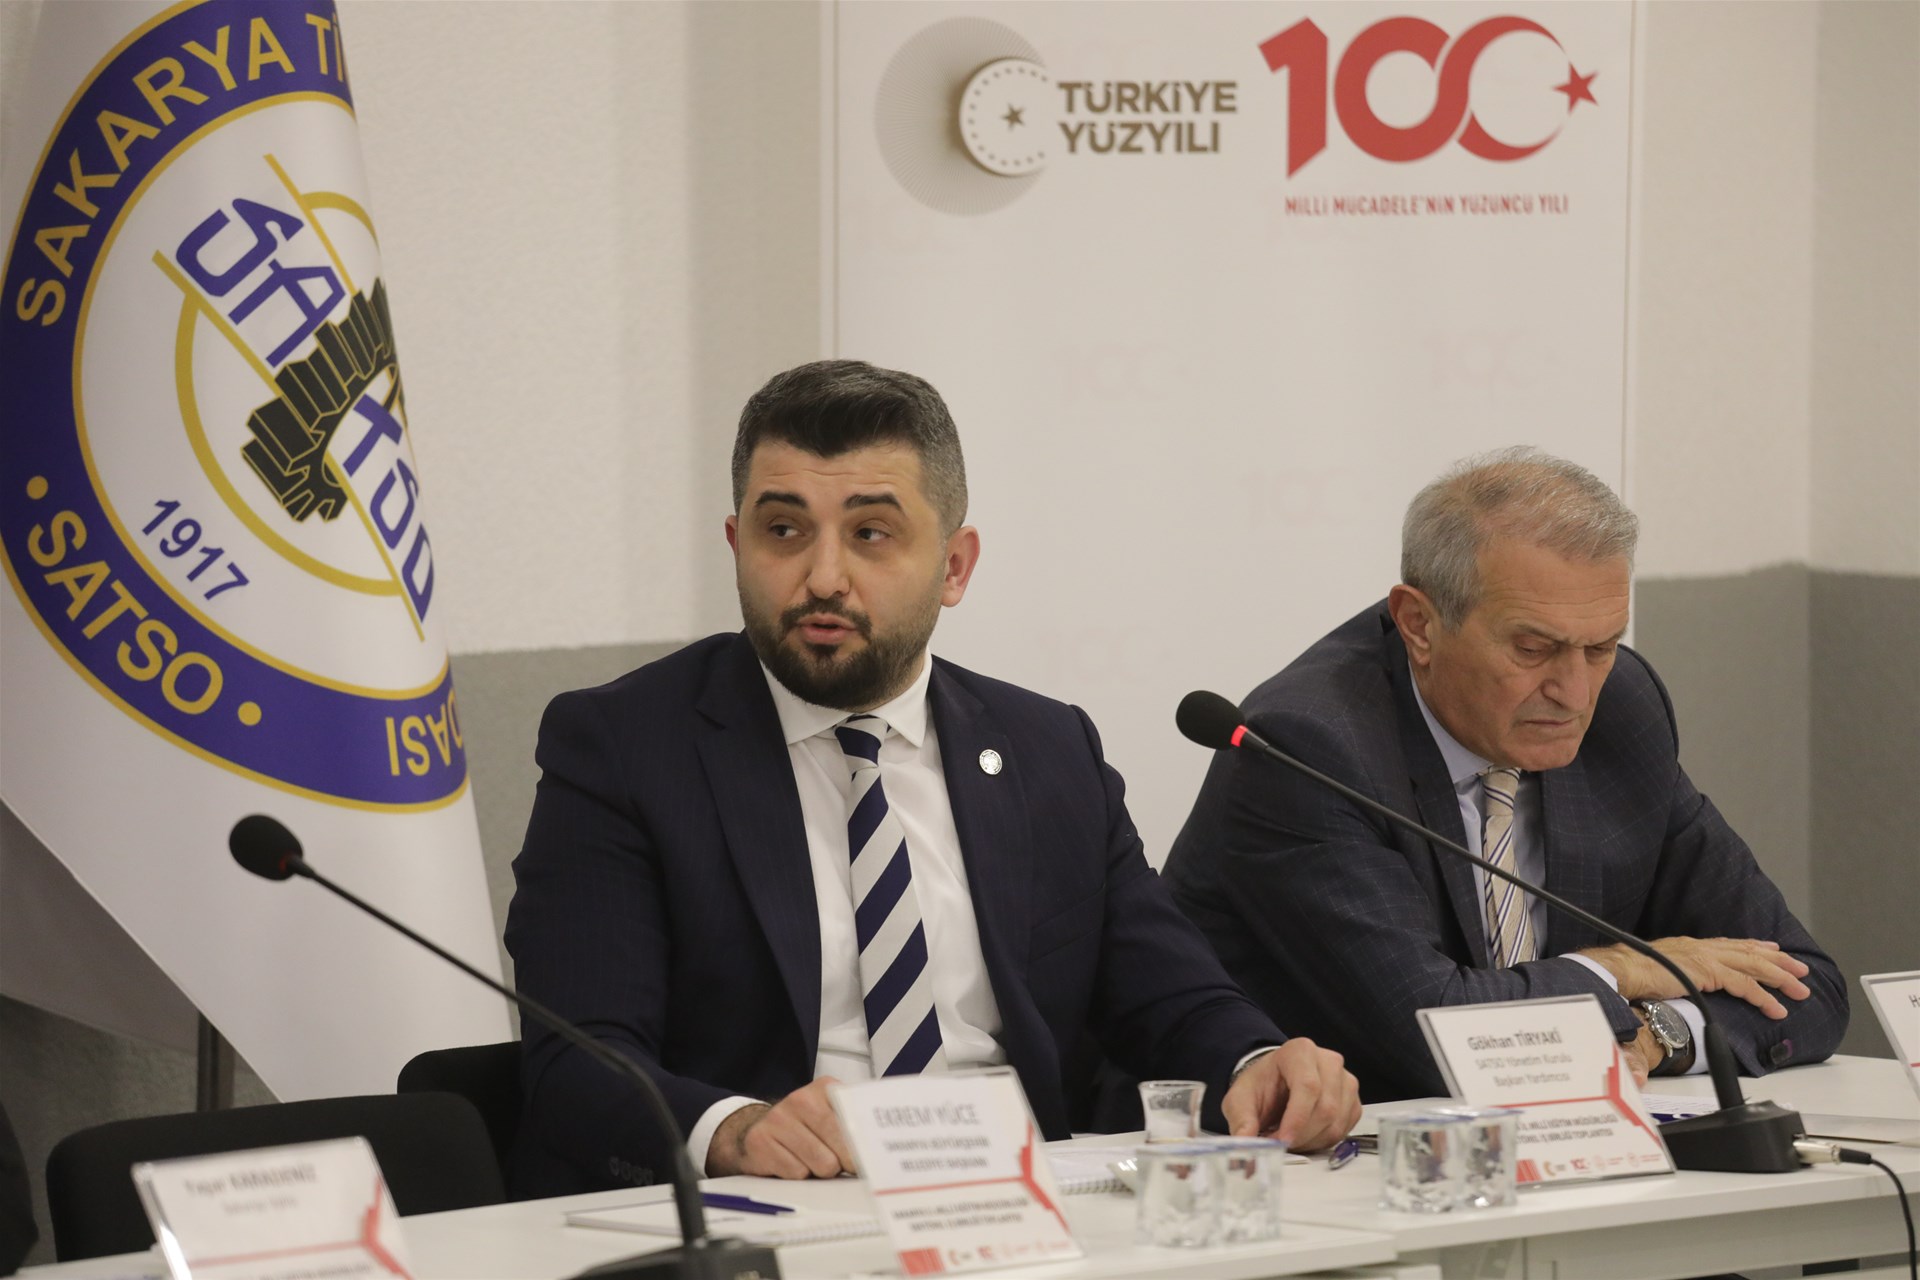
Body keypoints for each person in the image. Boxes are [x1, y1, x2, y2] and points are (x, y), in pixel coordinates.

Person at [505, 360, 1359, 1195]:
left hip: (1022, 1212)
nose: (823, 577)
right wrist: (731, 1129)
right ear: (737, 546)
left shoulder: (1047, 749)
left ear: (954, 566)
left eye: (871, 534)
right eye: (784, 531)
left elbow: (1170, 998)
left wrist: (1260, 1060)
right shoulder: (624, 748)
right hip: (783, 1213)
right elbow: (578, 1059)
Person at [1164, 447, 1847, 1102]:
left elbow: (1807, 985)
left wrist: (1654, 1033)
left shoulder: (1623, 711)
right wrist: (1625, 968)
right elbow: (1436, 1034)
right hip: (1311, 1152)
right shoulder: (1310, 748)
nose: (1574, 693)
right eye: (1533, 648)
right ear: (1419, 624)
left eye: (1601, 647)